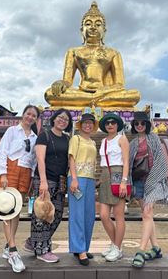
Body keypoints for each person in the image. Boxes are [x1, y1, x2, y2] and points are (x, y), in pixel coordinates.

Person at [44, 1, 140, 108]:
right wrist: (60, 83)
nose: (93, 27)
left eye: (98, 24)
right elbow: (67, 81)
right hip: (82, 91)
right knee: (50, 93)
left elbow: (119, 84)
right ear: (82, 30)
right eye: (88, 24)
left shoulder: (113, 53)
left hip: (104, 91)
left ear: (104, 31)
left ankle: (90, 101)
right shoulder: (73, 52)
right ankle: (95, 101)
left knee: (135, 95)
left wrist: (103, 91)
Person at [0, 104, 40, 273]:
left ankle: (8, 245)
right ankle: (13, 250)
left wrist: (33, 177)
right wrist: (3, 174)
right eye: (28, 114)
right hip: (10, 169)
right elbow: (1, 152)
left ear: (36, 119)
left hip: (25, 172)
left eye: (34, 115)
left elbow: (34, 160)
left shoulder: (35, 137)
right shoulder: (12, 131)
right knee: (6, 209)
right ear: (23, 115)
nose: (30, 117)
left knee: (17, 210)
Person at [24, 108, 73, 263]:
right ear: (54, 118)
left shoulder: (67, 139)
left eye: (66, 119)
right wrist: (43, 181)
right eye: (60, 117)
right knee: (41, 214)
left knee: (56, 215)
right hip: (45, 179)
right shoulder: (44, 136)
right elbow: (40, 159)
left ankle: (34, 242)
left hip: (60, 181)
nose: (63, 121)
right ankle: (42, 249)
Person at [129, 111, 168, 268]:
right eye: (137, 123)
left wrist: (154, 178)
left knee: (146, 213)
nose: (140, 126)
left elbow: (160, 160)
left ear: (147, 124)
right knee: (147, 215)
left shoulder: (153, 138)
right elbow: (131, 164)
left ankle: (140, 251)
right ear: (133, 125)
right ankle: (156, 248)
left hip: (154, 180)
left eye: (142, 123)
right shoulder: (132, 143)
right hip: (139, 181)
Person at [98, 113, 130, 262]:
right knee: (104, 215)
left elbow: (126, 161)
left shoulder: (122, 139)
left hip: (118, 175)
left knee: (118, 215)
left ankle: (117, 248)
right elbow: (104, 162)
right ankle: (115, 244)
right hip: (105, 176)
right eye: (107, 123)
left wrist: (124, 181)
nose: (110, 125)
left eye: (113, 122)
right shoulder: (103, 141)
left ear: (118, 124)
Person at [68, 113, 98, 266]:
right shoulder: (76, 139)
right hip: (77, 178)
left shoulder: (93, 142)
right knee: (77, 214)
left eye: (90, 123)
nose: (88, 125)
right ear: (80, 125)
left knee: (89, 214)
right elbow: (71, 158)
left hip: (90, 179)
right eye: (85, 123)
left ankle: (83, 246)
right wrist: (73, 178)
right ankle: (80, 250)